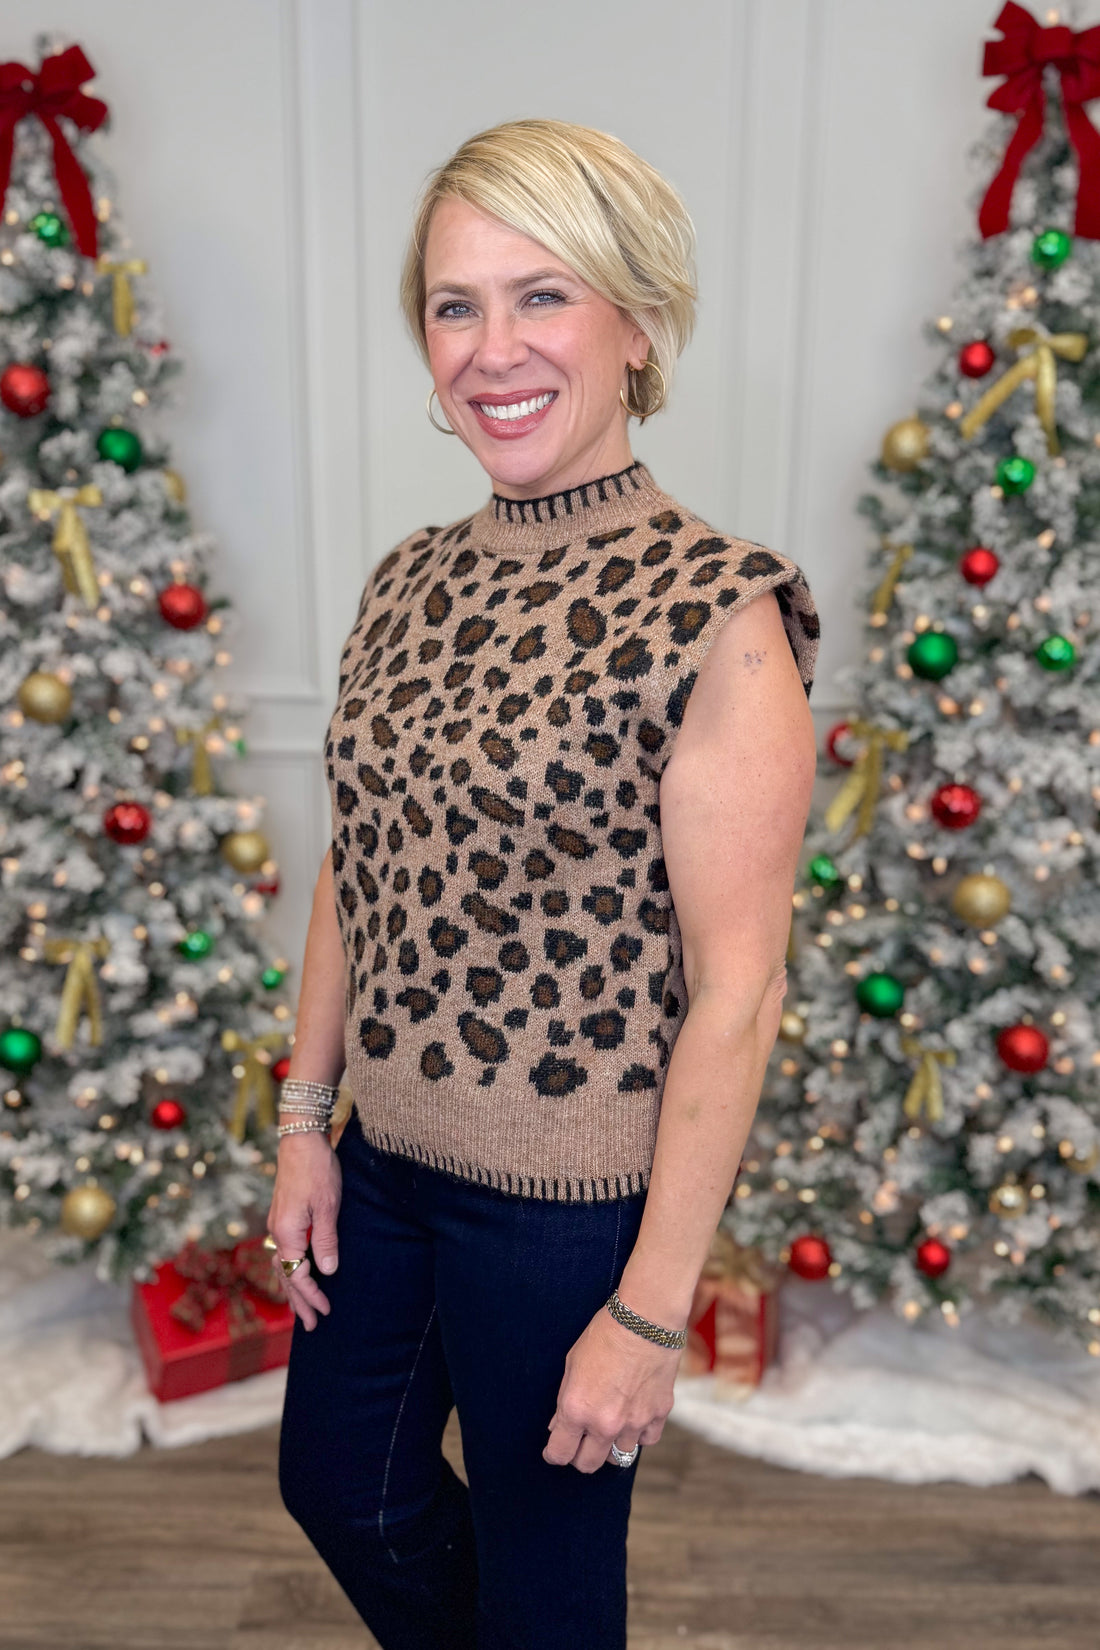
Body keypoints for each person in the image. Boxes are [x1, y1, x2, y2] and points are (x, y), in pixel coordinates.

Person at [273, 117, 820, 1650]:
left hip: (568, 1210)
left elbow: (739, 991)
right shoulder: (407, 577)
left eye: (544, 295)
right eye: (456, 304)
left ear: (637, 325)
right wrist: (304, 1121)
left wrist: (649, 1312)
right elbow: (357, 853)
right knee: (339, 1486)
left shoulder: (724, 613)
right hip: (385, 1166)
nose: (491, 348)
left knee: (548, 1587)